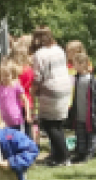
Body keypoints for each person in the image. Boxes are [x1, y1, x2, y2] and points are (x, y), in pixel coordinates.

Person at [31, 26, 72, 166]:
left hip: (51, 90)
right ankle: (58, 154)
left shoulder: (39, 54)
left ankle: (63, 157)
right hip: (65, 88)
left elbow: (37, 77)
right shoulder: (59, 49)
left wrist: (33, 91)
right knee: (58, 124)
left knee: (50, 125)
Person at [67, 54, 96, 164]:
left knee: (90, 134)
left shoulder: (92, 80)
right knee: (80, 134)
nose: (74, 66)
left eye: (76, 64)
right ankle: (80, 153)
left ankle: (89, 153)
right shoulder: (76, 78)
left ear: (83, 64)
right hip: (79, 113)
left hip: (90, 115)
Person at [0, 62, 26, 132]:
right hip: (2, 120)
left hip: (15, 119)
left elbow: (25, 100)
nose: (5, 78)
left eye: (7, 75)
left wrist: (28, 114)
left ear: (12, 75)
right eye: (3, 76)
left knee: (15, 136)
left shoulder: (16, 86)